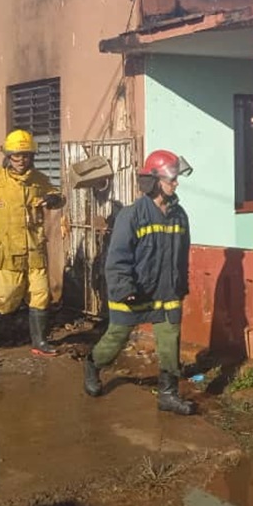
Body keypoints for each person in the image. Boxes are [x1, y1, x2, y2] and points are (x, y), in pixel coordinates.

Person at [83, 149, 196, 415]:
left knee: (170, 343)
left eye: (177, 178)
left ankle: (168, 394)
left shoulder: (180, 216)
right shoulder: (132, 215)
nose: (176, 183)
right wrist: (124, 289)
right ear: (155, 181)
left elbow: (181, 256)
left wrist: (181, 284)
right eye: (171, 179)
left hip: (167, 292)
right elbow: (118, 257)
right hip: (134, 292)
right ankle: (92, 364)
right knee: (115, 340)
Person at [0, 129, 65, 355]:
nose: (21, 160)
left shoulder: (39, 180)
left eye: (26, 155)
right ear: (7, 156)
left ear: (32, 157)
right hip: (7, 251)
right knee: (7, 296)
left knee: (41, 294)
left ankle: (39, 343)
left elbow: (58, 197)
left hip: (34, 249)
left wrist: (54, 199)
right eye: (16, 155)